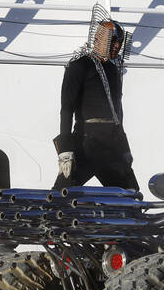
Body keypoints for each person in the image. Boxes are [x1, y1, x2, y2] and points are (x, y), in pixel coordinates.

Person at [53, 13, 140, 192]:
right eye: (114, 40)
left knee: (131, 194)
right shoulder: (79, 66)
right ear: (99, 38)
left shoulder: (113, 70)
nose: (117, 46)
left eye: (120, 42)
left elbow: (117, 112)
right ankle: (45, 219)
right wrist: (65, 150)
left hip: (112, 142)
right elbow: (67, 108)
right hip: (86, 141)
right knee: (62, 194)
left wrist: (124, 147)